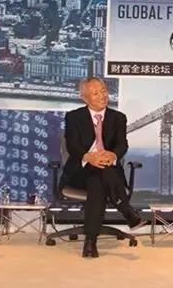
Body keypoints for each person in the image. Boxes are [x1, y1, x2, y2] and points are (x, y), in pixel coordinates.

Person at [60, 77, 146, 258]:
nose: (103, 96)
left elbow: (122, 145)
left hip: (107, 169)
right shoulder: (74, 117)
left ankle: (90, 242)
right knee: (98, 175)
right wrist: (88, 157)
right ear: (85, 98)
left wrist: (113, 155)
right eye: (96, 93)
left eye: (104, 91)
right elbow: (72, 146)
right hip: (80, 171)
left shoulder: (118, 118)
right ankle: (127, 210)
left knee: (98, 181)